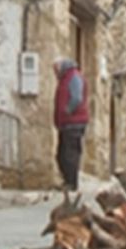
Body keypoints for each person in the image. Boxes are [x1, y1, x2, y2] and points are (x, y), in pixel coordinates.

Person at [52, 58, 90, 193]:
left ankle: (71, 183)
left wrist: (67, 111)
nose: (55, 73)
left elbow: (76, 98)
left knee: (70, 154)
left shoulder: (73, 77)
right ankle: (67, 181)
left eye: (56, 70)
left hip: (74, 123)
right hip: (67, 123)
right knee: (62, 154)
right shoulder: (66, 78)